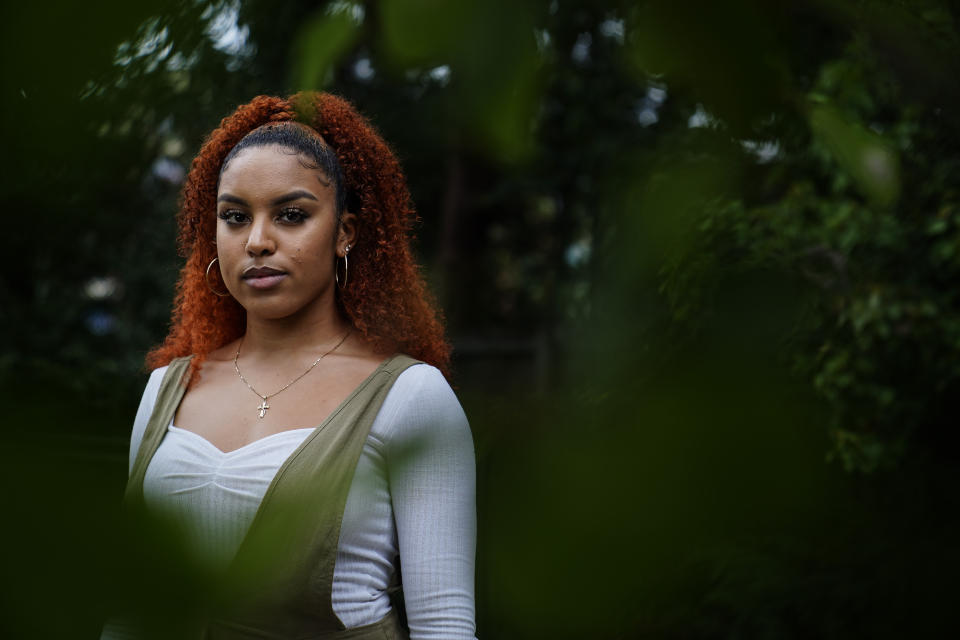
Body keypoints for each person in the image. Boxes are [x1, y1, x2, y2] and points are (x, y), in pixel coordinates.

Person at [102, 92, 477, 639]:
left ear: (345, 233)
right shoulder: (168, 388)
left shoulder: (410, 397)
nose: (257, 241)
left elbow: (443, 626)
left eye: (291, 215)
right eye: (234, 217)